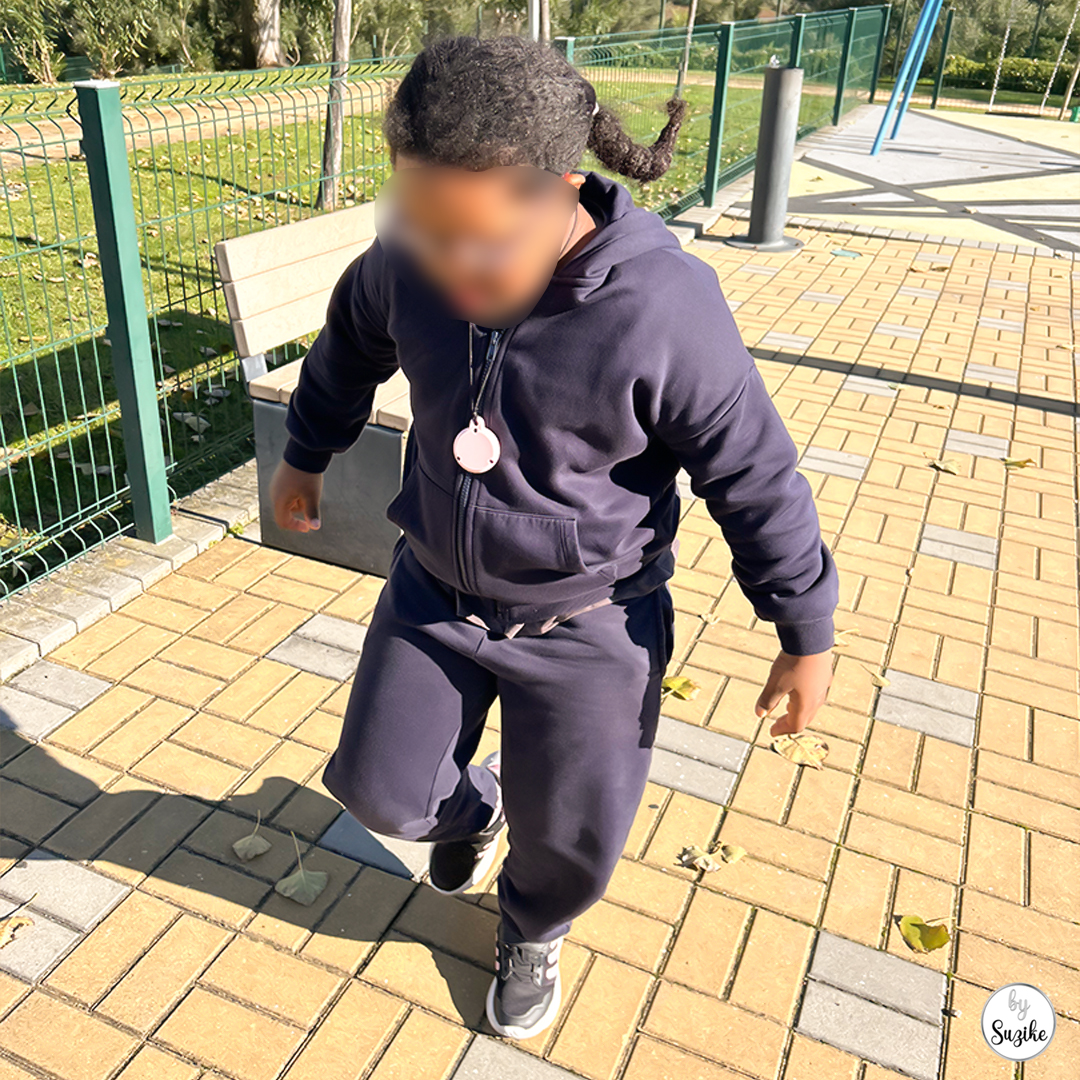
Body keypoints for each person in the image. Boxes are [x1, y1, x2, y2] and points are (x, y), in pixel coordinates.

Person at [270, 35, 838, 1041]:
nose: (448, 269)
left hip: (590, 625)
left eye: (480, 245)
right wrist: (307, 452)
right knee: (378, 791)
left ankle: (533, 925)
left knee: (573, 837)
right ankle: (477, 813)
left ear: (562, 187)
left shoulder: (663, 306)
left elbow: (752, 474)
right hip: (434, 592)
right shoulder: (415, 259)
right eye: (425, 233)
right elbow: (352, 337)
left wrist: (805, 627)